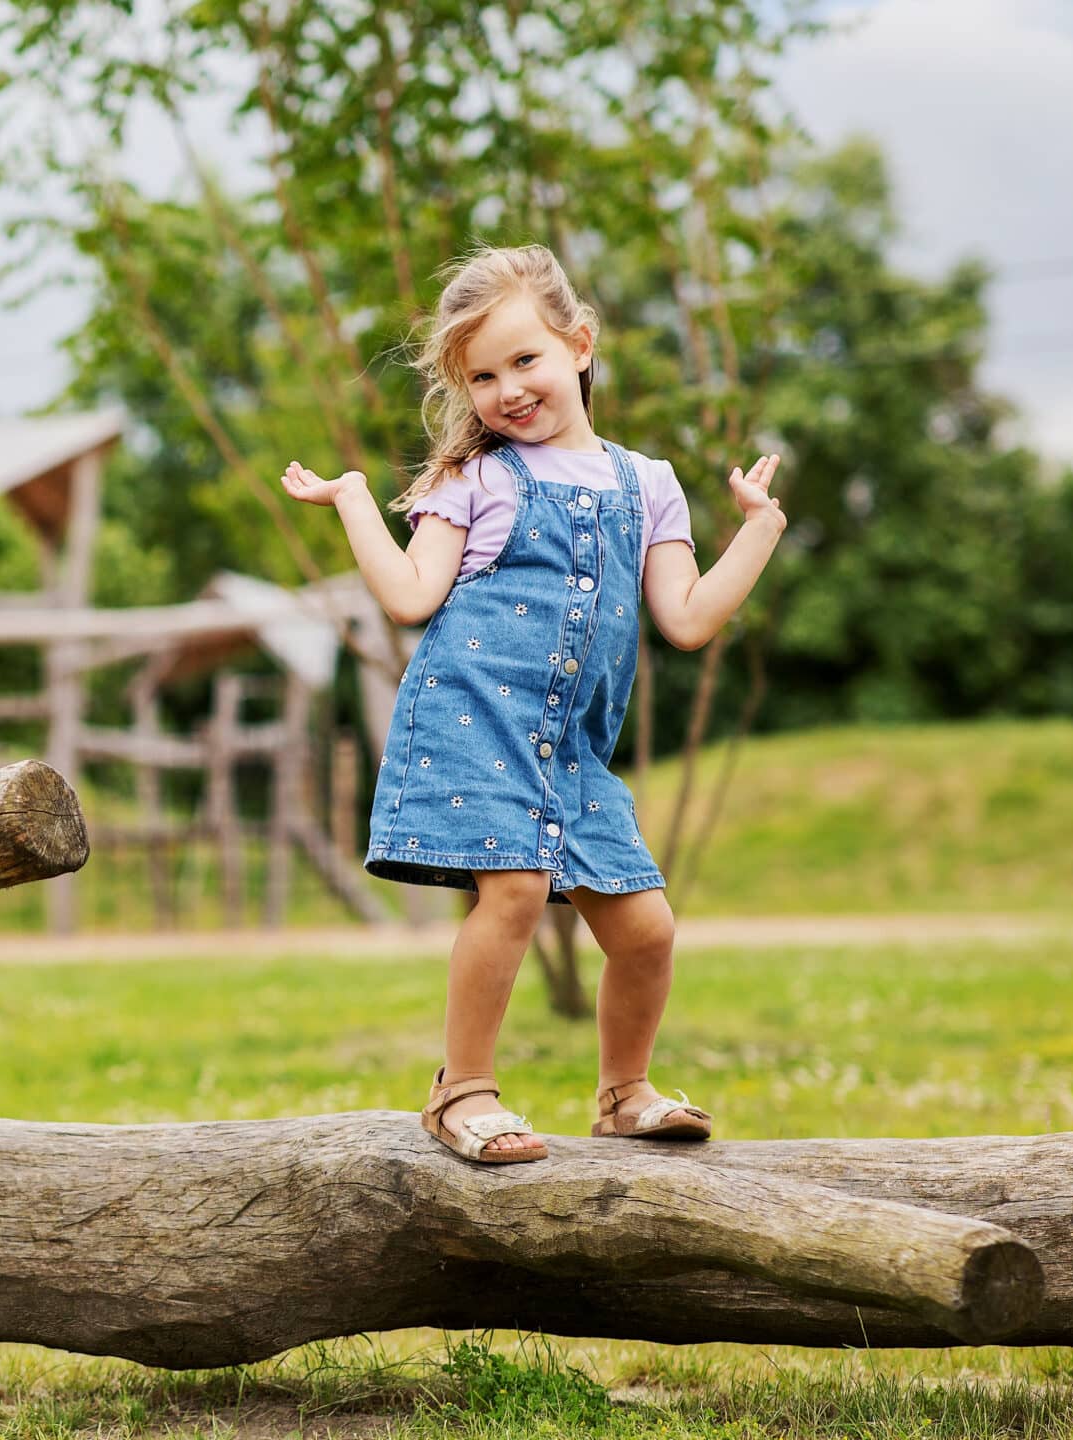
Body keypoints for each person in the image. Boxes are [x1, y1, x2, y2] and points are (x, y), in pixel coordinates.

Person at [280, 244, 786, 1162]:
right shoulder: (474, 479)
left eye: (525, 360)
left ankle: (623, 1091)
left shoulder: (650, 484)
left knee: (645, 928)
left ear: (579, 345)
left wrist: (760, 531)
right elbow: (407, 598)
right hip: (473, 722)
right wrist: (356, 500)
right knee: (510, 889)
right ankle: (460, 1091)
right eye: (481, 375)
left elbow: (687, 618)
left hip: (572, 751)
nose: (507, 389)